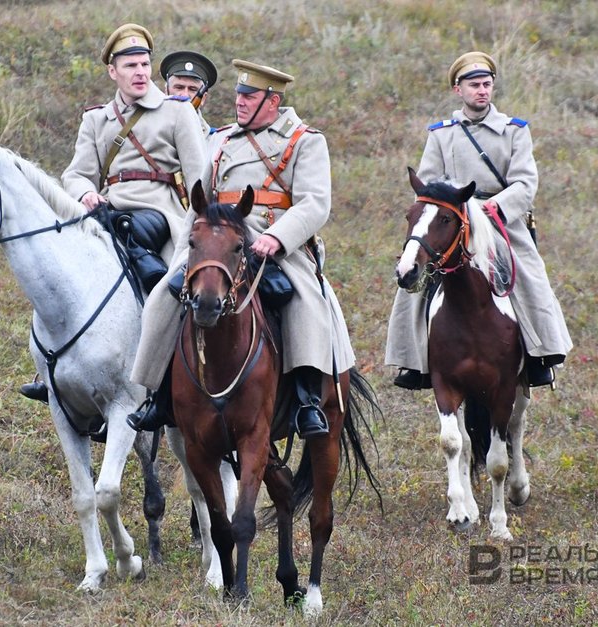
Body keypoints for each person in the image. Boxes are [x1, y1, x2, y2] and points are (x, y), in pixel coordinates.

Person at [127, 59, 356, 439]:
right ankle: (157, 395)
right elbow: (199, 202)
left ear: (273, 100)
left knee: (303, 303)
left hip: (275, 245)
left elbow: (315, 203)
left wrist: (278, 238)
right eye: (239, 94)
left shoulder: (305, 140)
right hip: (216, 243)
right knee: (164, 297)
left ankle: (306, 400)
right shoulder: (220, 139)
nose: (240, 102)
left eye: (250, 96)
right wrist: (188, 248)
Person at [19, 24, 207, 406]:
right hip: (106, 211)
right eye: (131, 65)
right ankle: (55, 365)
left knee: (161, 278)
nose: (140, 72)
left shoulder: (176, 113)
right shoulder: (96, 119)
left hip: (160, 212)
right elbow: (75, 173)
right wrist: (86, 193)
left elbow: (200, 176)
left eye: (144, 64)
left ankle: (167, 378)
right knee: (61, 266)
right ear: (113, 72)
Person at [385, 50, 572, 390]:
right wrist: (442, 214)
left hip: (499, 220)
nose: (481, 91)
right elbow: (426, 187)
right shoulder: (442, 134)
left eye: (486, 84)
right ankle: (414, 361)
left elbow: (525, 183)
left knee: (529, 276)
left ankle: (540, 353)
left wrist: (492, 209)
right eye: (474, 85)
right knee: (414, 275)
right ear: (459, 90)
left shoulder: (515, 131)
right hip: (452, 220)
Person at [160, 50, 219, 135]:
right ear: (166, 91)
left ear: (203, 98)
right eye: (179, 87)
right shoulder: (147, 129)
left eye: (192, 89)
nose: (185, 95)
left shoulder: (215, 140)